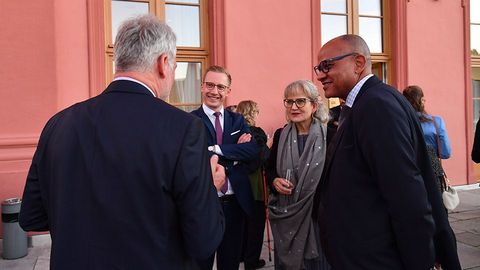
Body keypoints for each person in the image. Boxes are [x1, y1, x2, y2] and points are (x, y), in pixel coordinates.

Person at [18, 15, 225, 270]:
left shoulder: (59, 123)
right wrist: (209, 188)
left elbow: (32, 216)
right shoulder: (182, 128)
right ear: (163, 63)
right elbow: (204, 240)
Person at [313, 34, 460, 270]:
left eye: (326, 65)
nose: (320, 75)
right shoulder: (366, 102)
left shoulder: (375, 105)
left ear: (358, 63)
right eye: (318, 67)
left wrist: (419, 261)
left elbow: (406, 197)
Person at [191, 65, 259, 270]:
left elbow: (251, 150)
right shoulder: (190, 121)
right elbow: (196, 156)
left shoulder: (237, 120)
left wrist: (215, 149)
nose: (214, 91)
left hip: (235, 203)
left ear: (228, 91)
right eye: (210, 85)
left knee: (230, 262)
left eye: (221, 87)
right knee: (200, 262)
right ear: (202, 87)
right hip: (205, 203)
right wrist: (233, 152)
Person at [266, 80, 331, 270]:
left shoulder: (331, 135)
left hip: (318, 219)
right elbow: (269, 169)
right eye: (289, 101)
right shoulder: (280, 135)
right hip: (287, 217)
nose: (294, 107)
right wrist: (274, 181)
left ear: (314, 105)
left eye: (300, 101)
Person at [236, 100, 271, 270]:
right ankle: (252, 261)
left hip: (237, 185)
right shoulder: (257, 134)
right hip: (255, 186)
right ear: (253, 113)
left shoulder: (234, 132)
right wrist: (268, 146)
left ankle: (242, 255)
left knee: (241, 223)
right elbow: (263, 158)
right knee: (256, 226)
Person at [403, 85, 452, 192]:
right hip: (432, 172)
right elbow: (445, 153)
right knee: (436, 205)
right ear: (422, 100)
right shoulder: (436, 122)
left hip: (408, 173)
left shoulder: (400, 123)